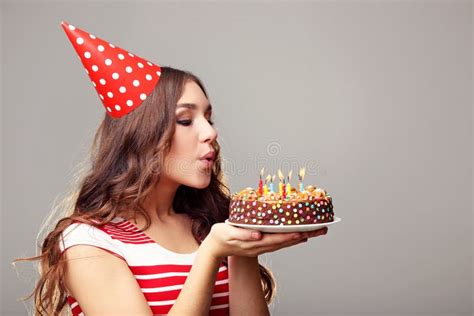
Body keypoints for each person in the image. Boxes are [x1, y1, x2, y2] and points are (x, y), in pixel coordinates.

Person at [13, 22, 328, 316]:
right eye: (186, 120)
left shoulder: (209, 225)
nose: (210, 133)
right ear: (141, 136)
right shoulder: (89, 242)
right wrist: (211, 255)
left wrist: (241, 252)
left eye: (209, 118)